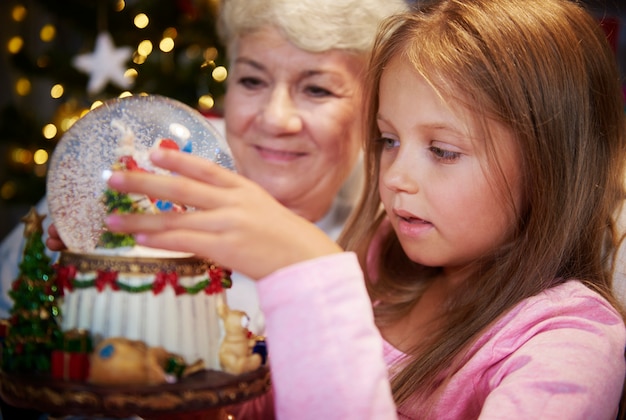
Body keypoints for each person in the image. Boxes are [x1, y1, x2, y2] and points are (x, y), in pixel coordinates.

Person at [101, 0, 626, 418]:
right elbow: (269, 401)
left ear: (550, 163)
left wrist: (312, 280)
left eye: (442, 151)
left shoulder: (570, 343)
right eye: (387, 140)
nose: (395, 178)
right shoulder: (382, 259)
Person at [0, 0, 409, 331]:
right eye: (252, 81)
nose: (275, 118)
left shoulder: (400, 234)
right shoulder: (133, 177)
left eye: (317, 89)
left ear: (371, 109)